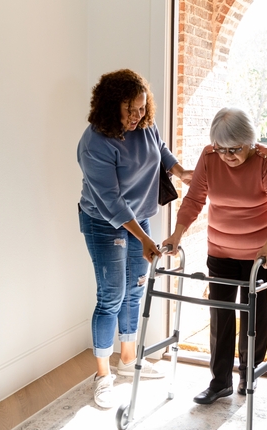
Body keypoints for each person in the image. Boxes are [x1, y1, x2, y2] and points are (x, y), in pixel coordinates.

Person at [77, 69, 193, 408]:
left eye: (142, 108)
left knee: (136, 288)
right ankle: (102, 375)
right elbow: (111, 201)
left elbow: (160, 149)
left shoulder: (145, 125)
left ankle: (127, 359)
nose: (137, 115)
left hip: (139, 217)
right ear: (110, 106)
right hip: (103, 221)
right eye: (130, 109)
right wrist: (143, 238)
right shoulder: (95, 143)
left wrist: (180, 171)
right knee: (111, 295)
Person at [161, 106, 267, 404]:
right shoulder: (209, 157)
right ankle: (220, 382)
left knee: (254, 316)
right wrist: (177, 234)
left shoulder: (266, 160)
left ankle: (249, 374)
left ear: (250, 141)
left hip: (258, 256)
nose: (227, 156)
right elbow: (194, 199)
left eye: (234, 149)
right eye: (221, 148)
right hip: (220, 250)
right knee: (220, 315)